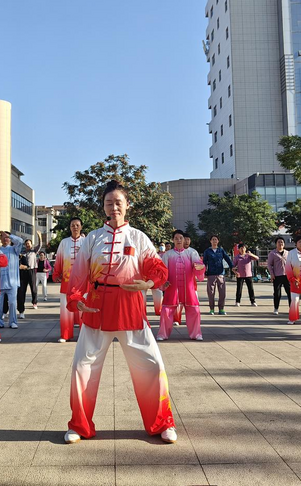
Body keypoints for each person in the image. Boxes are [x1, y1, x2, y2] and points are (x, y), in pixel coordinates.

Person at [63, 180, 175, 445]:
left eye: (118, 203)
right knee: (82, 367)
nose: (113, 207)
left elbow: (158, 269)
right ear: (103, 206)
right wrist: (77, 298)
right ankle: (79, 425)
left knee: (152, 365)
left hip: (131, 308)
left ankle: (162, 423)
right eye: (108, 203)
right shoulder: (93, 238)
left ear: (127, 206)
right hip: (97, 307)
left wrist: (148, 283)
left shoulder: (138, 237)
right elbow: (77, 276)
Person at [158, 230, 205, 341]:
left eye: (181, 238)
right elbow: (163, 270)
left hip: (188, 288)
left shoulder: (191, 253)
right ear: (173, 240)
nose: (179, 240)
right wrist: (163, 281)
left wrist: (199, 267)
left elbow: (198, 264)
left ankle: (196, 334)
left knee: (194, 310)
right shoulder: (168, 255)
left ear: (184, 240)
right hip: (172, 287)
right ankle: (162, 334)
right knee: (165, 311)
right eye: (176, 238)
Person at [53, 217, 85, 342]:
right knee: (65, 310)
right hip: (67, 282)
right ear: (70, 227)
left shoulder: (87, 241)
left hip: (83, 282)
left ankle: (84, 336)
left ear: (81, 227)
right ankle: (65, 335)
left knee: (83, 309)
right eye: (72, 225)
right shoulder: (64, 242)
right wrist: (56, 274)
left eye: (77, 225)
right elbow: (59, 260)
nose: (75, 227)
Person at [0, 230, 24, 329]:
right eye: (2, 237)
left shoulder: (15, 249)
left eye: (7, 237)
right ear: (0, 239)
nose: (5, 239)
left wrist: (9, 235)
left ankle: (13, 321)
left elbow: (20, 241)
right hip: (0, 282)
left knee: (12, 303)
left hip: (12, 282)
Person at [203, 235, 234, 315]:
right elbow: (204, 262)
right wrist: (204, 272)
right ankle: (211, 309)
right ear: (210, 241)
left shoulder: (221, 250)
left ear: (218, 241)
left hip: (220, 274)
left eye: (215, 239)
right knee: (211, 293)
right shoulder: (207, 251)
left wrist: (232, 267)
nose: (214, 241)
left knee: (222, 292)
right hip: (211, 274)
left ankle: (221, 309)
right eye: (213, 239)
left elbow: (227, 259)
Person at [18, 233, 42, 315]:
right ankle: (21, 307)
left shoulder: (34, 251)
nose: (27, 245)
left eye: (29, 243)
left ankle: (34, 302)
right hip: (23, 272)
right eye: (26, 244)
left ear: (31, 244)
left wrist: (39, 236)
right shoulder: (22, 252)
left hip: (31, 271)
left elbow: (40, 244)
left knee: (33, 288)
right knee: (22, 290)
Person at [267, 237, 291, 315]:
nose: (280, 244)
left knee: (290, 293)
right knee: (277, 293)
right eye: (279, 242)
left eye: (282, 242)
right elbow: (269, 265)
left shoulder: (288, 253)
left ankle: (292, 308)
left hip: (287, 275)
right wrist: (272, 274)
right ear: (276, 244)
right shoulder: (272, 253)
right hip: (277, 276)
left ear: (284, 244)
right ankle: (276, 308)